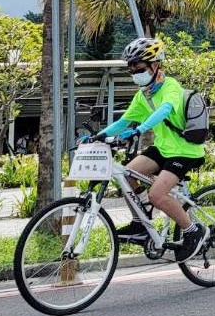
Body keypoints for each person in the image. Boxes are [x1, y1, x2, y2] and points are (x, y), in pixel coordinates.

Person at [86, 37, 207, 261]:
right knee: (126, 175)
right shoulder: (143, 95)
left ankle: (193, 231)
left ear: (155, 65)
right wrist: (99, 135)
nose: (135, 74)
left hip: (185, 151)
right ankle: (141, 221)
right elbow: (124, 120)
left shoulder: (171, 86)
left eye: (139, 68)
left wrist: (139, 129)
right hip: (162, 150)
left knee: (157, 194)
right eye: (131, 70)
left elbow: (165, 109)